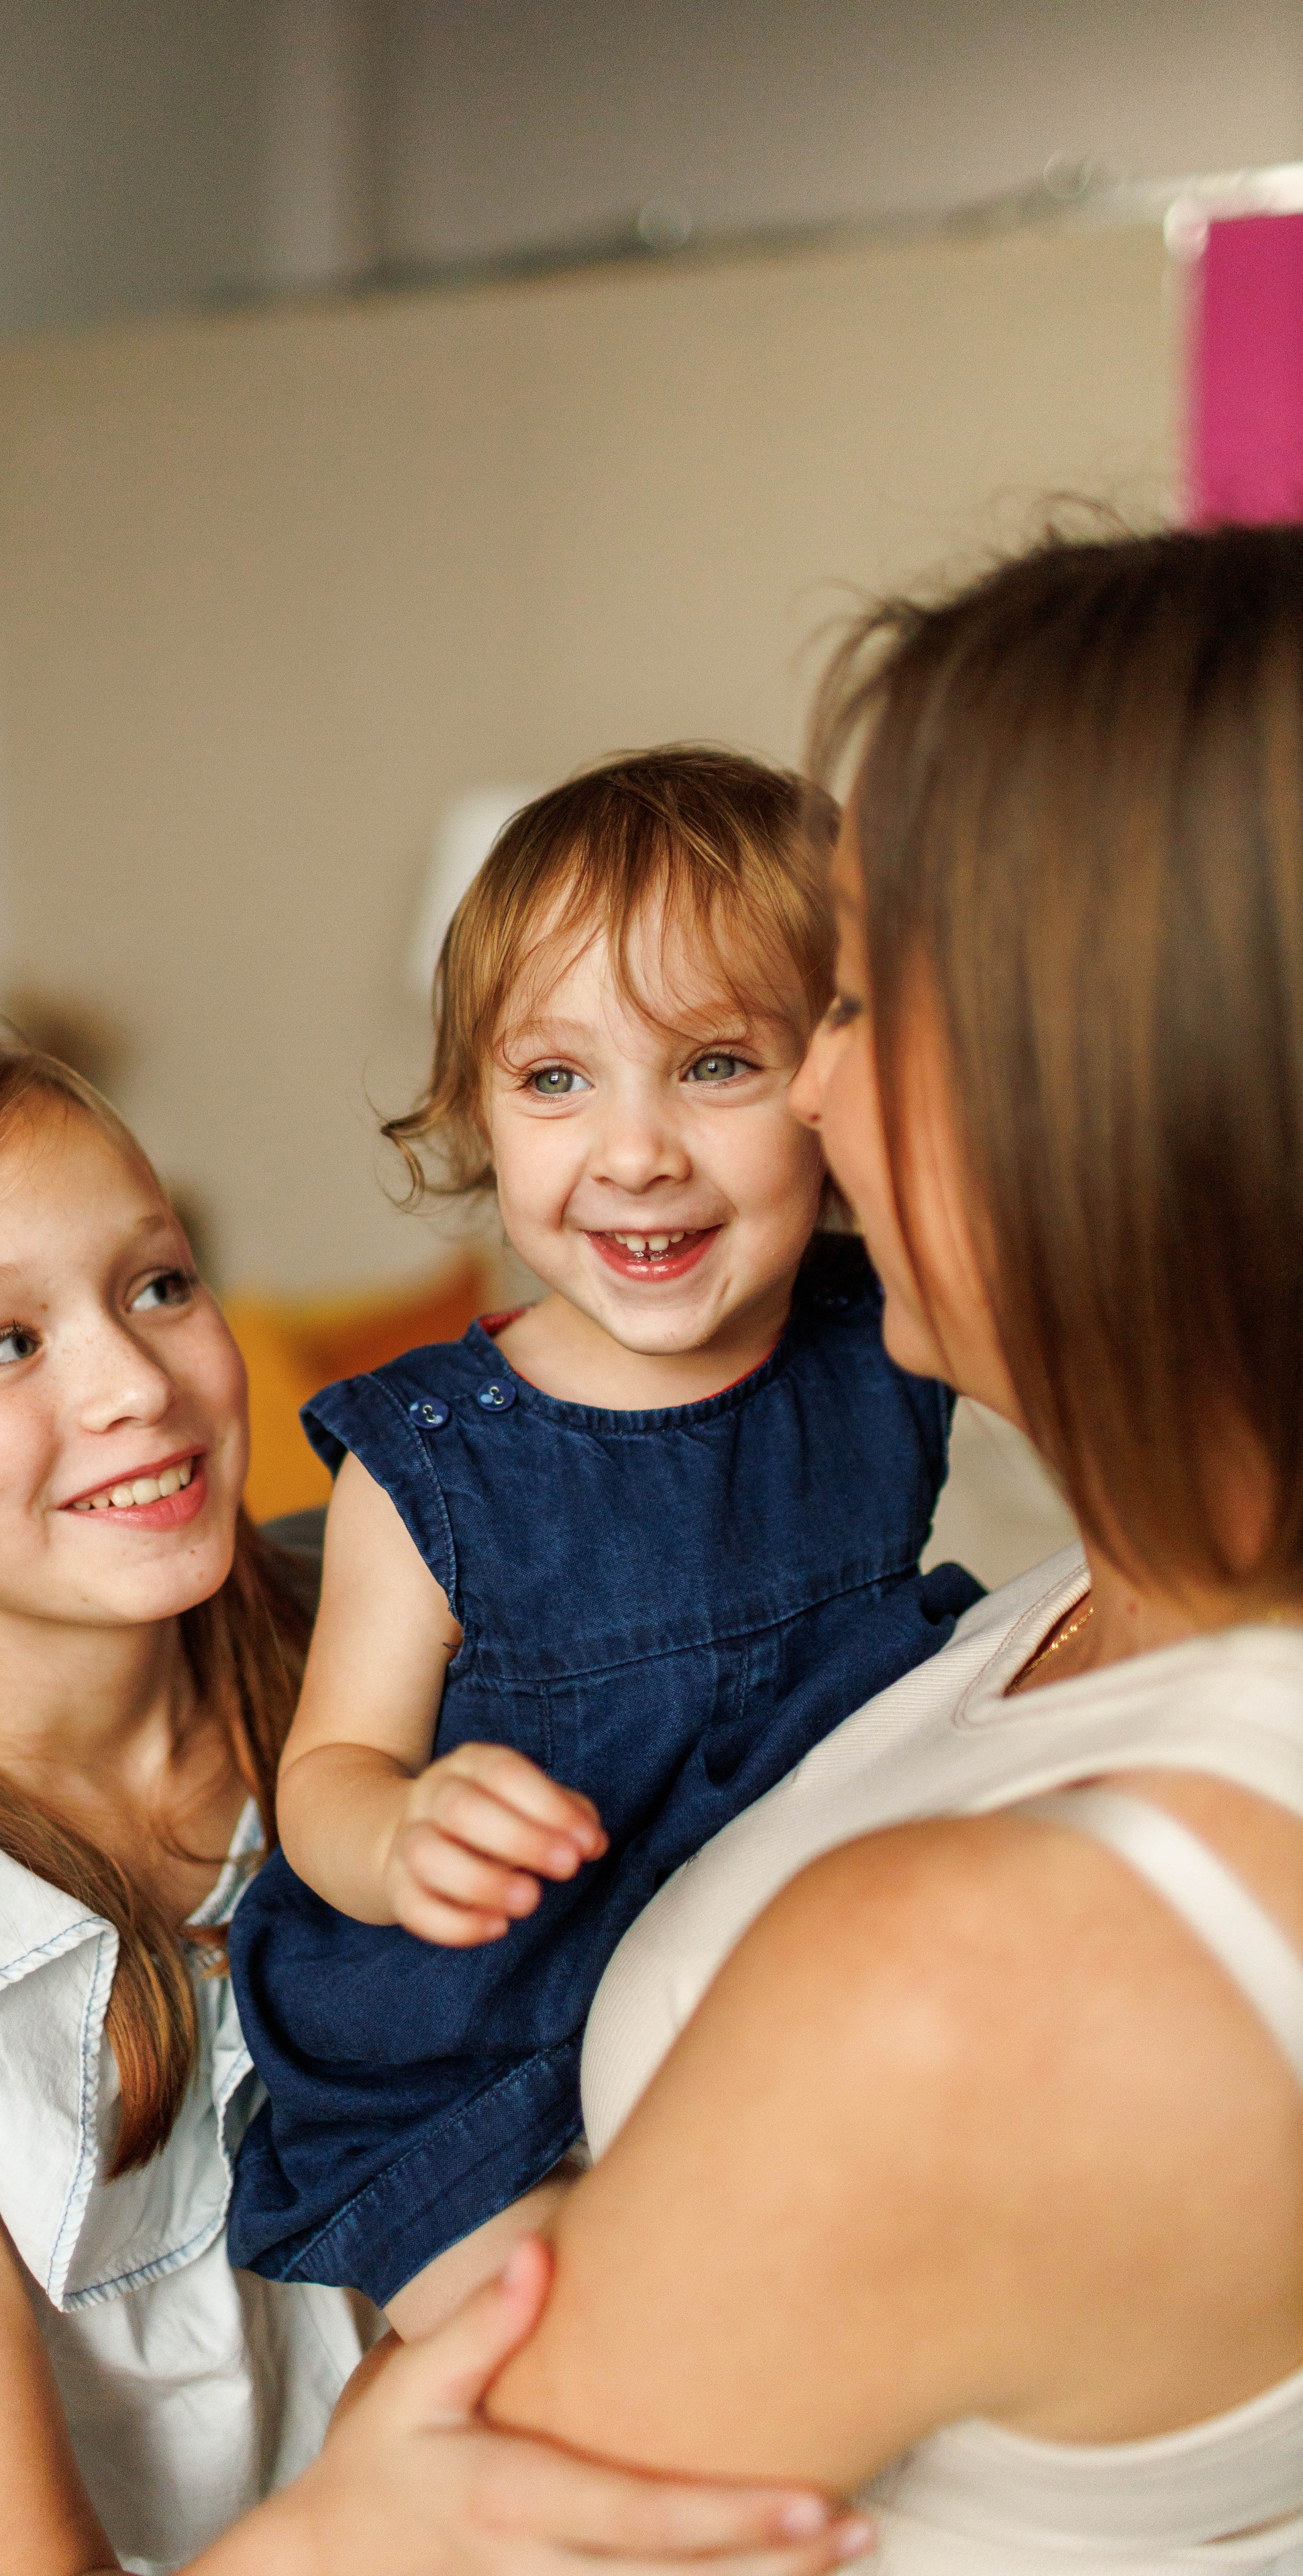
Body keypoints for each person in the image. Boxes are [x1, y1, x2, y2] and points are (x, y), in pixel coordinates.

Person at [0, 1017, 870, 2576]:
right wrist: (366, 2520)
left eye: (158, 1283)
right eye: (4, 1343)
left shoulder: (382, 1655)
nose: (136, 1378)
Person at [480, 524, 1303, 2572]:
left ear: (1100, 1086)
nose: (812, 1094)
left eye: (844, 1003)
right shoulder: (1088, 1615)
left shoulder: (980, 1976)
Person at [227, 748, 980, 2325]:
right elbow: (323, 1779)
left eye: (712, 1064)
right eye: (555, 1080)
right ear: (476, 1116)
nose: (632, 1150)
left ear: (833, 1085)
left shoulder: (883, 1342)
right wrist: (405, 1829)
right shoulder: (427, 1459)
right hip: (471, 2061)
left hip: (755, 1988)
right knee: (549, 2354)